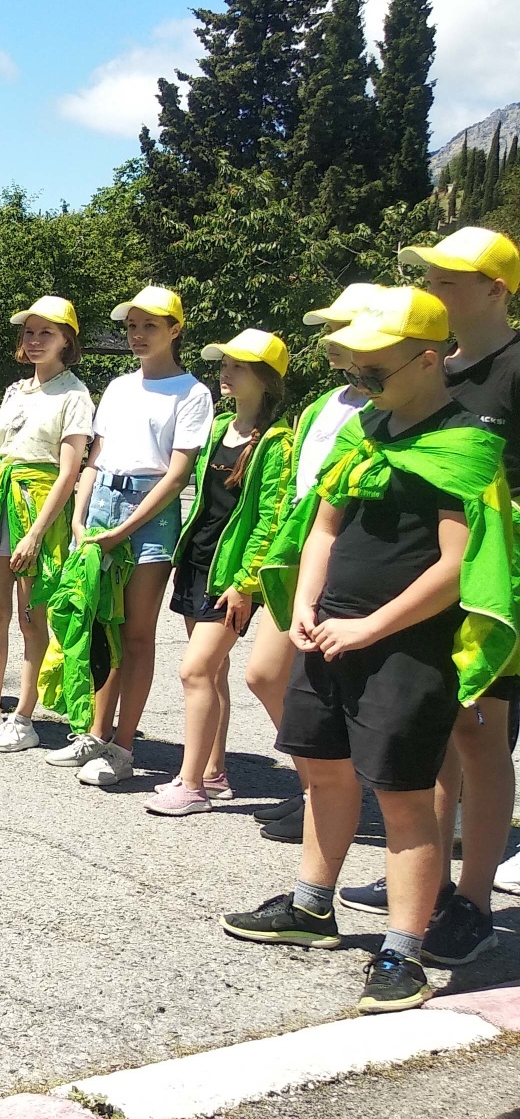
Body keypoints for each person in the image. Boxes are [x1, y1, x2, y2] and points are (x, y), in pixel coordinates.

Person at [222, 286, 515, 1013]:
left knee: (406, 798)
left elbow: (457, 566)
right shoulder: (365, 432)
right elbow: (323, 528)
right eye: (350, 368)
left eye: (371, 370)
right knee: (322, 770)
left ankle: (403, 952)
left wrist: (370, 625)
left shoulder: (469, 443)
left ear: (426, 359)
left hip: (405, 647)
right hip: (332, 630)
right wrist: (307, 605)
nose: (357, 382)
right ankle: (312, 905)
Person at [333, 226, 520, 964]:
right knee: (433, 727)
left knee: (481, 730)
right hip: (420, 567)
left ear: (497, 288)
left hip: (492, 571)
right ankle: (429, 883)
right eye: (431, 273)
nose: (434, 284)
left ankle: (474, 898)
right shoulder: (427, 364)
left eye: (450, 276)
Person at [43, 286, 214, 785]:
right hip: (101, 504)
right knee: (101, 627)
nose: (138, 335)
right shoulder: (118, 386)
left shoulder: (193, 392)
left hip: (149, 513)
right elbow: (95, 457)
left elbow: (177, 474)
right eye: (132, 326)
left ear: (175, 330)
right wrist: (80, 516)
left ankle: (123, 746)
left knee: (137, 634)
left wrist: (124, 528)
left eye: (150, 326)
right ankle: (94, 735)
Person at [245, 289, 376, 843]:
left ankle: (340, 797)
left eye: (341, 326)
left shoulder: (389, 405)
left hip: (354, 562)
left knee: (345, 694)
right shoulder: (321, 405)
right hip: (302, 556)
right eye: (327, 327)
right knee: (265, 676)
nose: (330, 338)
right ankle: (319, 791)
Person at [148, 330, 292, 816]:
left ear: (266, 380)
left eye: (238, 366)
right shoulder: (219, 427)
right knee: (213, 672)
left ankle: (190, 785)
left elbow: (271, 518)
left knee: (194, 669)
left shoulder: (277, 442)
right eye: (224, 362)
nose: (225, 371)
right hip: (197, 561)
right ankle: (213, 774)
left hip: (230, 573)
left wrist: (245, 581)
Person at [0, 296, 92, 752]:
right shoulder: (15, 391)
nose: (34, 341)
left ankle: (24, 717)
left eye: (45, 333)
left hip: (38, 512)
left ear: (66, 340)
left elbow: (68, 471)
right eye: (29, 332)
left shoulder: (75, 395)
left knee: (32, 618)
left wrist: (35, 533)